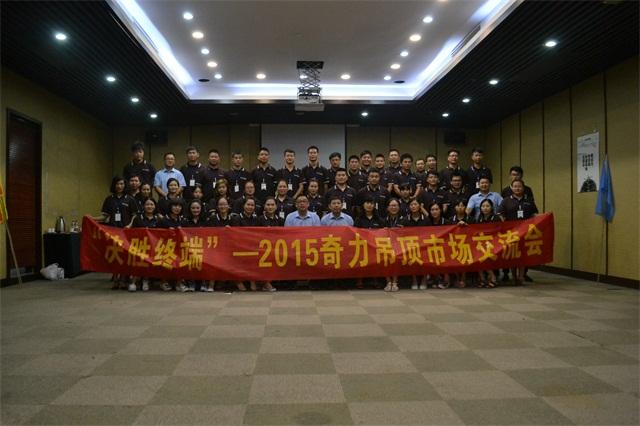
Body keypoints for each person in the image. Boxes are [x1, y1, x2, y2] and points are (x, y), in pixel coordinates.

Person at [93, 176, 137, 290]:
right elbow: (104, 216)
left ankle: (123, 279)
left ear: (125, 185)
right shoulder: (109, 199)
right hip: (113, 231)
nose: (119, 186)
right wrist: (92, 219)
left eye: (122, 184)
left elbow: (134, 215)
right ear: (114, 185)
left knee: (125, 256)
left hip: (126, 232)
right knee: (115, 256)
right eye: (117, 184)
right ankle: (116, 278)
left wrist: (130, 225)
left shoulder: (130, 199)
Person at [497, 179, 539, 286]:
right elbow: (500, 213)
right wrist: (505, 224)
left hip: (525, 232)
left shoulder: (529, 200)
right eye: (515, 186)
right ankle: (514, 276)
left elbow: (534, 214)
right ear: (512, 188)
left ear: (523, 188)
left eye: (519, 186)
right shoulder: (506, 200)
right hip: (511, 232)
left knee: (523, 254)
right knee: (513, 254)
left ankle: (521, 275)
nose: (517, 188)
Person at [126, 198, 161, 292]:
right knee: (137, 262)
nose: (149, 206)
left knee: (149, 262)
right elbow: (131, 231)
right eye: (147, 204)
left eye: (152, 204)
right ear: (144, 206)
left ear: (155, 206)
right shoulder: (137, 218)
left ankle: (146, 280)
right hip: (139, 246)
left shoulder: (158, 219)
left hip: (153, 247)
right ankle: (133, 282)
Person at [354, 195, 386, 290]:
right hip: (362, 246)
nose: (369, 205)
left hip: (375, 246)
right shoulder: (358, 219)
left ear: (374, 205)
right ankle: (359, 280)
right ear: (363, 205)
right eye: (367, 203)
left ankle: (375, 279)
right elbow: (355, 233)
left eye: (371, 203)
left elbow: (383, 233)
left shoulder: (379, 219)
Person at [158, 199, 187, 292]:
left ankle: (179, 283)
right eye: (175, 206)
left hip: (179, 247)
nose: (177, 208)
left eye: (179, 206)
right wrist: (167, 231)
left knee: (181, 262)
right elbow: (156, 234)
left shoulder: (183, 220)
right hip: (166, 247)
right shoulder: (163, 220)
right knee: (165, 264)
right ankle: (163, 282)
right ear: (170, 207)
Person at [231, 198, 259, 291]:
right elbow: (235, 234)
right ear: (243, 206)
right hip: (239, 246)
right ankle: (238, 281)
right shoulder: (237, 218)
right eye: (248, 205)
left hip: (252, 246)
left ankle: (252, 280)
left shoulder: (255, 219)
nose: (250, 207)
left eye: (252, 205)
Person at [402, 198, 429, 290]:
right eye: (411, 205)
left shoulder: (426, 219)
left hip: (424, 246)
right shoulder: (405, 220)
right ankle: (414, 280)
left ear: (420, 206)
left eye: (415, 204)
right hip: (410, 246)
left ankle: (424, 279)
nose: (413, 206)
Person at [256, 197, 282, 292]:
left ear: (276, 207)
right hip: (263, 249)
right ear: (264, 206)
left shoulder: (280, 220)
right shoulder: (259, 219)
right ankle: (265, 282)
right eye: (268, 205)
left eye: (272, 205)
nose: (270, 207)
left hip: (277, 248)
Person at [182, 199, 208, 292]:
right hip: (189, 247)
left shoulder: (206, 220)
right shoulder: (185, 220)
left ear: (201, 209)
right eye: (193, 208)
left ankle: (204, 283)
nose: (195, 210)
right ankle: (191, 282)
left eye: (197, 208)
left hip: (203, 247)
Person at [476, 199, 501, 288]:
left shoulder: (496, 218)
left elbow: (499, 231)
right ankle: (482, 278)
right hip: (482, 243)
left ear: (491, 207)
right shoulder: (479, 217)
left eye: (487, 206)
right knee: (476, 255)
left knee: (484, 255)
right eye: (483, 206)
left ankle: (493, 277)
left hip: (494, 244)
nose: (485, 208)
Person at [450, 198, 474, 289]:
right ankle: (457, 278)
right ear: (455, 207)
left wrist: (467, 226)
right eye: (458, 206)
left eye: (462, 206)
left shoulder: (471, 219)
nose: (460, 207)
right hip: (454, 245)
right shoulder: (451, 219)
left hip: (468, 244)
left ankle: (463, 278)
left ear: (466, 207)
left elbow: (475, 231)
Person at [427, 202, 452, 289]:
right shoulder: (427, 222)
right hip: (430, 247)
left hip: (444, 247)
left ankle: (446, 278)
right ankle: (435, 277)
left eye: (436, 209)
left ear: (440, 210)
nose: (434, 211)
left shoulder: (447, 222)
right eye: (432, 210)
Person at [384, 198, 403, 291]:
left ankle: (395, 281)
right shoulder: (383, 219)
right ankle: (388, 281)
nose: (393, 207)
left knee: (397, 257)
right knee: (384, 258)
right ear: (388, 207)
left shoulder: (403, 219)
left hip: (400, 245)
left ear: (399, 207)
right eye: (391, 205)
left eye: (395, 205)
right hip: (386, 245)